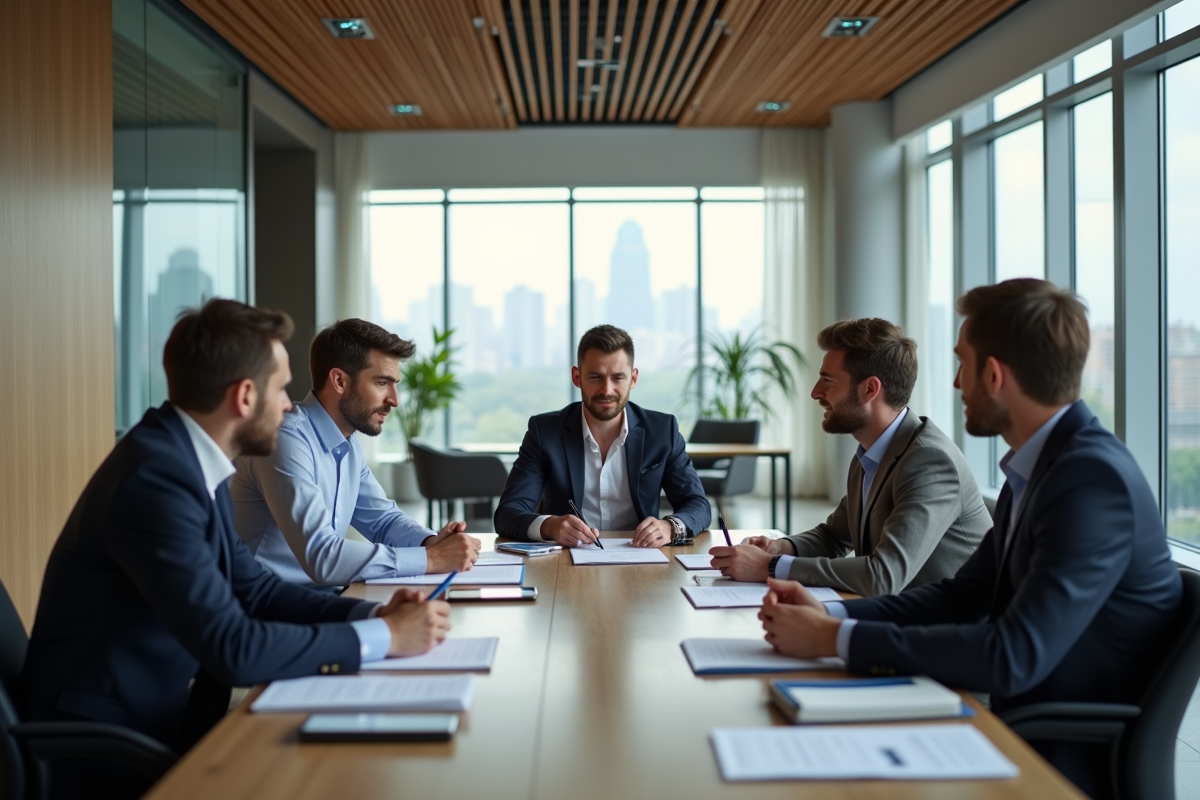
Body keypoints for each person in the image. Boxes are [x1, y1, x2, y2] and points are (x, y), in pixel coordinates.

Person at [758, 279, 1182, 799]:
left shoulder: (1090, 481)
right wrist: (836, 617)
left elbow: (1013, 653)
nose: (957, 382)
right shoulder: (1046, 467)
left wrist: (834, 640)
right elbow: (963, 593)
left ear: (996, 374)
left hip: (1050, 756)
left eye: (963, 363)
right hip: (1015, 723)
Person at [22, 300, 451, 799]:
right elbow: (234, 649)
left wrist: (370, 616)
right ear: (245, 396)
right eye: (280, 389)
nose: (290, 405)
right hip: (103, 746)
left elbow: (257, 589)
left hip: (162, 714)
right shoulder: (156, 481)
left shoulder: (183, 461)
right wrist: (381, 637)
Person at [710, 318, 989, 595]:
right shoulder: (870, 454)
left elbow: (883, 576)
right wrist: (780, 547)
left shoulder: (929, 461)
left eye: (828, 381)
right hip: (903, 615)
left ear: (870, 389)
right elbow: (833, 536)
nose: (815, 392)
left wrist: (771, 566)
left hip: (952, 629)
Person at [231, 318, 479, 588]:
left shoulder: (347, 445)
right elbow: (322, 555)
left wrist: (431, 542)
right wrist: (430, 559)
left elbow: (382, 520)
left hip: (322, 600)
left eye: (395, 384)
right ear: (339, 380)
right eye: (382, 383)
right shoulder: (285, 439)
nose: (394, 400)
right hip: (271, 611)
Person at [494, 324, 711, 548]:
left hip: (641, 559)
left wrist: (670, 527)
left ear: (633, 379)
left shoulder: (662, 431)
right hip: (565, 562)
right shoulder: (544, 432)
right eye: (596, 377)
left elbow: (698, 505)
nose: (607, 390)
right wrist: (549, 526)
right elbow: (507, 513)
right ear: (577, 377)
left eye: (618, 378)